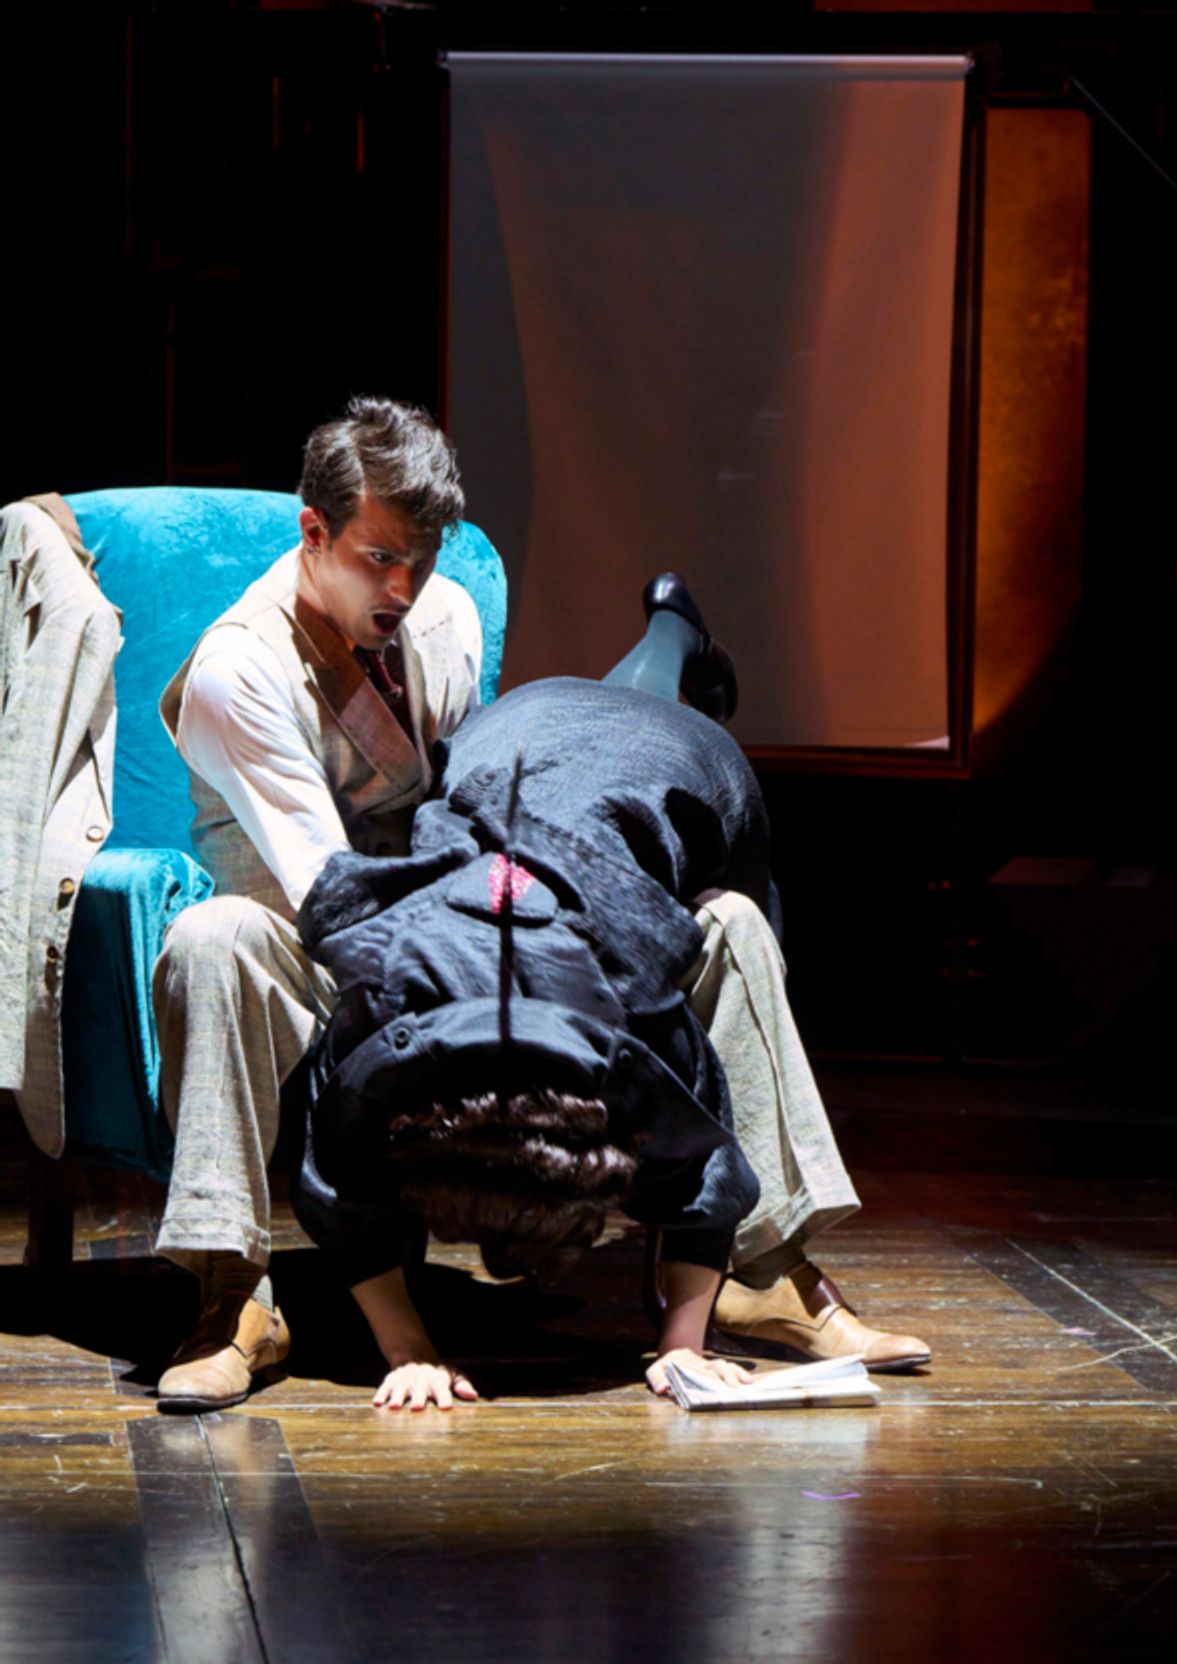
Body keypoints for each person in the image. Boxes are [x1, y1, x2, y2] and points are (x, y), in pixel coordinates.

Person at [151, 397, 928, 1412]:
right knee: (213, 937)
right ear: (314, 532)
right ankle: (232, 1296)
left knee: (728, 924)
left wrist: (581, 914)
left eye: (422, 559)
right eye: (379, 559)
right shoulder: (239, 671)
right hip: (322, 941)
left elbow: (486, 798)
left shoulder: (442, 617)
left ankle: (765, 1269)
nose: (403, 587)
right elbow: (336, 897)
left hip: (461, 911)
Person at [292, 578, 926, 1410]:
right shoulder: (390, 1015)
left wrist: (682, 1345)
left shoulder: (628, 1020)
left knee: (746, 937)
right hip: (508, 742)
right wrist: (406, 1351)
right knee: (610, 768)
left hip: (666, 757)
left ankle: (766, 1275)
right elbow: (332, 1177)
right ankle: (673, 634)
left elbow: (710, 1153)